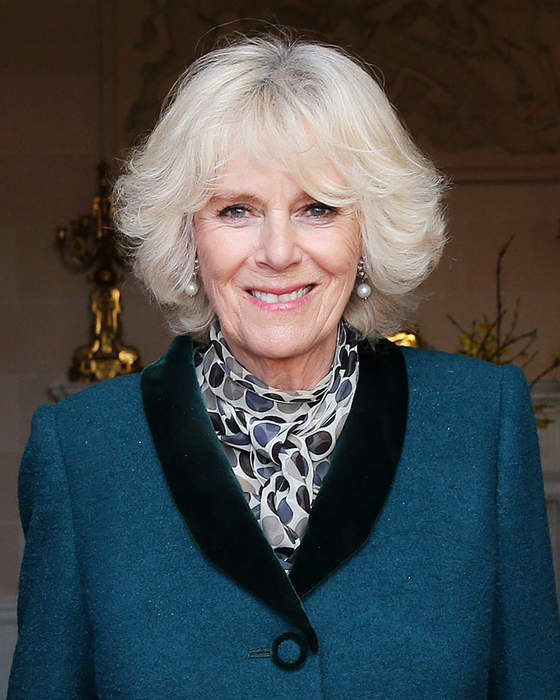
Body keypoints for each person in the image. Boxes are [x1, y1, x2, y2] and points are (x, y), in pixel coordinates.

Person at [8, 32, 560, 699]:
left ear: (369, 233)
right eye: (236, 209)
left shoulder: (481, 424)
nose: (277, 251)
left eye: (318, 209)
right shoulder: (82, 451)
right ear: (189, 235)